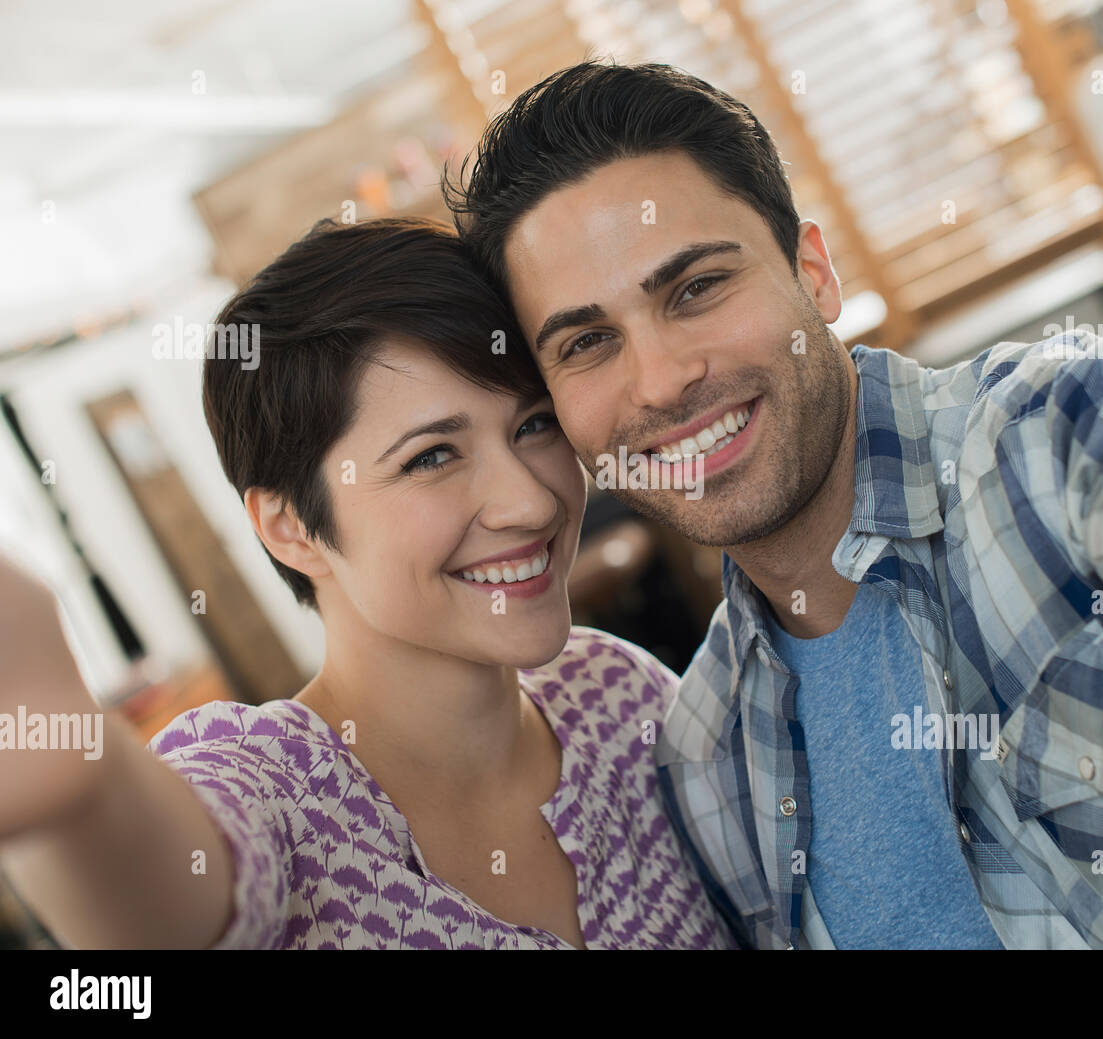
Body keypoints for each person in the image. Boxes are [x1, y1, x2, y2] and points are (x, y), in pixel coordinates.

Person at [441, 0, 1103, 949]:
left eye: (696, 288)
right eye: (588, 342)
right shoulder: (707, 761)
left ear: (814, 274)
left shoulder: (1064, 431)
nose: (660, 380)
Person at [0, 218, 737, 950]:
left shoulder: (611, 690)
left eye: (534, 425)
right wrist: (83, 794)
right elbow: (181, 906)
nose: (532, 503)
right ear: (290, 526)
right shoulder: (275, 791)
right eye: (430, 457)